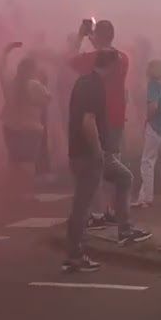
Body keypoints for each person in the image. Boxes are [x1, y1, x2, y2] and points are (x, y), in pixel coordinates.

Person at [63, 50, 150, 273]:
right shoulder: (94, 86)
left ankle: (125, 229)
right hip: (89, 154)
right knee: (82, 205)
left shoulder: (84, 82)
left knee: (123, 178)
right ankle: (75, 254)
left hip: (85, 152)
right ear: (111, 65)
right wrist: (98, 151)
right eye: (118, 66)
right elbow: (87, 121)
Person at [66, 20, 129, 227]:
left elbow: (70, 59)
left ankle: (98, 213)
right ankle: (112, 209)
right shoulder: (122, 58)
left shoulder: (91, 59)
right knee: (114, 164)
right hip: (118, 117)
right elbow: (105, 56)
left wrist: (80, 36)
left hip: (98, 116)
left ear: (97, 36)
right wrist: (96, 41)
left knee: (97, 164)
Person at [0, 41, 52, 198]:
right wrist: (37, 104)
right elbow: (48, 99)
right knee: (28, 162)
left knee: (14, 161)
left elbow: (0, 71)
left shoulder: (10, 83)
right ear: (32, 70)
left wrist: (6, 51)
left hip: (10, 126)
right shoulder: (35, 85)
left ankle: (14, 191)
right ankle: (26, 193)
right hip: (31, 127)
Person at [133, 59, 161, 208]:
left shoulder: (154, 85)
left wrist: (147, 120)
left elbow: (153, 106)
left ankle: (146, 198)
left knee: (148, 161)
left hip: (156, 127)